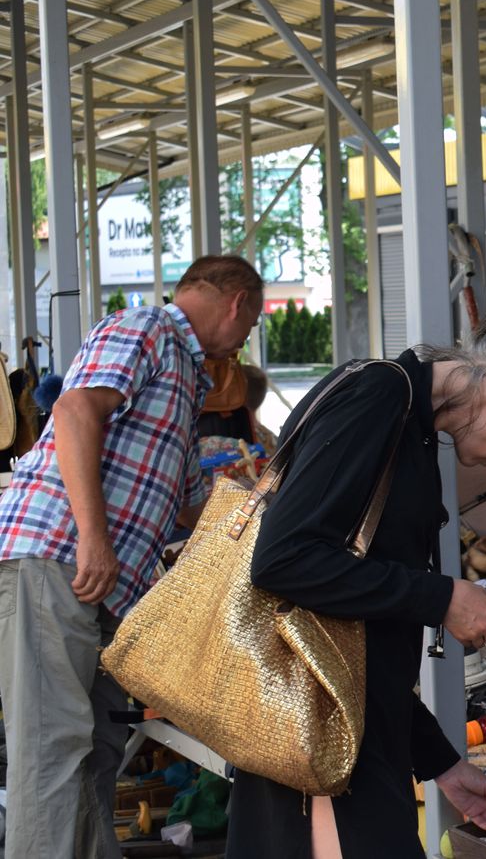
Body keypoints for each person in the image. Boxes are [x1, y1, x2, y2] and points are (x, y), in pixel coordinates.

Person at [225, 306, 486, 858]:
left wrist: (441, 763)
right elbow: (283, 560)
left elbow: (361, 642)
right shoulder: (378, 396)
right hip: (321, 748)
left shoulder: (410, 426)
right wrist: (442, 596)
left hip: (347, 732)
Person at [0, 255, 264, 859]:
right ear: (238, 302)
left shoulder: (189, 378)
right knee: (53, 749)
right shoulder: (147, 328)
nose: (246, 338)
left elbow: (193, 508)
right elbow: (72, 412)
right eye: (250, 324)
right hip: (60, 555)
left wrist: (276, 502)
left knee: (91, 750)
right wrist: (94, 537)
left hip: (97, 581)